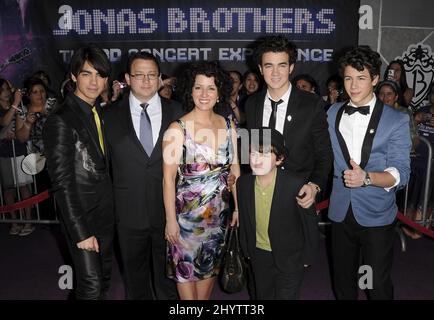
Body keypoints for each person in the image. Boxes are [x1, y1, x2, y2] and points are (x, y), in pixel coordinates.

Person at [327, 46, 411, 300]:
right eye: (348, 78)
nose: (353, 85)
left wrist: (367, 178)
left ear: (375, 79)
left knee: (375, 284)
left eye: (361, 78)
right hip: (340, 211)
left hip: (376, 215)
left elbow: (401, 172)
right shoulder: (332, 113)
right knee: (343, 282)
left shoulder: (395, 120)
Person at [104, 52, 183, 300]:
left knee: (169, 279)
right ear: (128, 78)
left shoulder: (178, 111)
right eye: (139, 75)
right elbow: (103, 168)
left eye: (152, 75)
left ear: (160, 79)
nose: (146, 81)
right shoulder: (108, 115)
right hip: (127, 213)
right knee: (135, 281)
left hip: (169, 212)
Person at [163, 61, 240, 300]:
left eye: (211, 88)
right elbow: (168, 179)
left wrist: (238, 207)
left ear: (220, 93)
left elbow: (235, 169)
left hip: (218, 219)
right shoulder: (177, 128)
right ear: (190, 90)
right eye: (199, 88)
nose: (204, 94)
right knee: (186, 285)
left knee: (206, 288)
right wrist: (170, 221)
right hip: (185, 221)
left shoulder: (229, 125)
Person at [42, 45, 114, 299]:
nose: (94, 82)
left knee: (103, 281)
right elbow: (61, 183)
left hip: (106, 216)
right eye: (87, 74)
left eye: (100, 75)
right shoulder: (60, 119)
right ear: (73, 76)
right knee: (91, 286)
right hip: (82, 218)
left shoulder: (100, 113)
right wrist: (80, 232)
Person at [245, 35, 333, 211]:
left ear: (291, 67)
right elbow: (253, 149)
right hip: (260, 195)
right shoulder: (252, 104)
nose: (275, 73)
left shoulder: (311, 104)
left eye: (282, 65)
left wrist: (314, 185)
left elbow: (324, 153)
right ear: (261, 69)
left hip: (299, 195)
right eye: (269, 66)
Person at [237, 128, 319, 299]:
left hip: (291, 257)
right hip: (259, 254)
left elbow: (309, 223)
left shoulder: (295, 184)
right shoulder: (243, 184)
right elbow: (245, 221)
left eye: (266, 154)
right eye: (253, 153)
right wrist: (247, 250)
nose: (257, 160)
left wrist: (307, 257)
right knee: (262, 295)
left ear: (279, 159)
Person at [0, 78, 33, 236]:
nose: (8, 91)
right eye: (4, 89)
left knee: (23, 187)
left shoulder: (19, 106)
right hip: (4, 153)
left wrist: (17, 103)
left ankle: (28, 221)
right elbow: (4, 121)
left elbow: (22, 131)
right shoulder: (8, 106)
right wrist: (15, 103)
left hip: (19, 151)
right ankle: (14, 222)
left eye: (8, 88)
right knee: (8, 189)